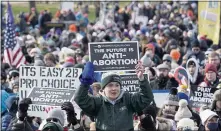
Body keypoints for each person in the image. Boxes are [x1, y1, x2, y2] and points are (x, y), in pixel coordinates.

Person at [74, 61, 154, 130]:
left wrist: (141, 78)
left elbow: (147, 97)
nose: (114, 88)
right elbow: (80, 99)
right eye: (110, 85)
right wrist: (85, 83)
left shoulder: (129, 99)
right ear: (103, 88)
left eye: (117, 85)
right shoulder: (98, 101)